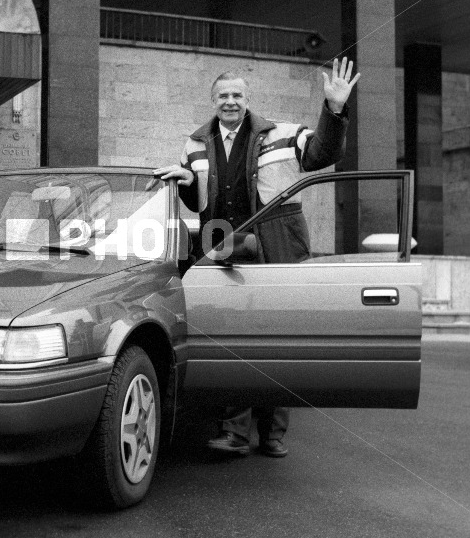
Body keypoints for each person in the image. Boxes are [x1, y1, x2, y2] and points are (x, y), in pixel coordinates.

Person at [153, 57, 361, 458]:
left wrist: (334, 109)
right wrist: (185, 182)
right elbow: (195, 197)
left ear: (248, 99)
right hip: (225, 248)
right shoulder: (195, 144)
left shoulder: (281, 133)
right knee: (232, 339)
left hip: (275, 244)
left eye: (237, 95)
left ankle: (272, 433)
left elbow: (321, 154)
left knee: (277, 335)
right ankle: (234, 431)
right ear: (213, 101)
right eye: (223, 96)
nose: (230, 102)